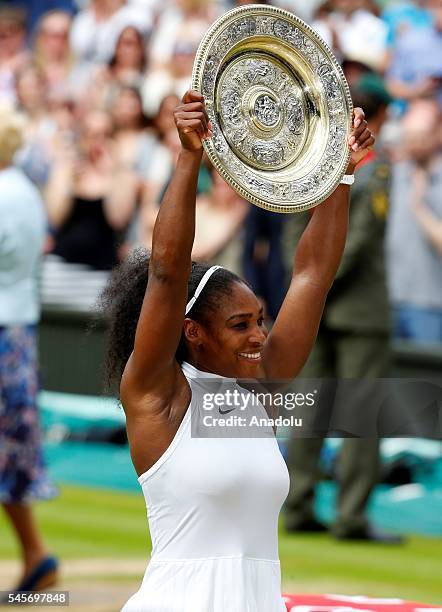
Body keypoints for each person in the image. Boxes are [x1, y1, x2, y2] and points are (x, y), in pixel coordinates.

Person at [99, 90, 373, 611]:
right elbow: (167, 269)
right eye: (240, 324)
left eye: (261, 321)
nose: (259, 336)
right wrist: (189, 155)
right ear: (193, 331)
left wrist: (342, 173)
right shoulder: (157, 394)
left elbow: (313, 275)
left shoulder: (261, 388)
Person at [283, 76, 402, 542]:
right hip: (358, 311)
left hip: (312, 306)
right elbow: (363, 238)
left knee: (308, 408)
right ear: (381, 116)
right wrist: (319, 279)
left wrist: (307, 285)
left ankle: (298, 506)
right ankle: (350, 516)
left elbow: (294, 227)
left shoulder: (314, 158)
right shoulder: (377, 167)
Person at [0, 108, 58, 595]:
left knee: (8, 454)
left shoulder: (8, 192)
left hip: (5, 332)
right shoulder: (21, 189)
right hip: (14, 328)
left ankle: (38, 556)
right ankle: (37, 556)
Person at [387, 97, 442, 342]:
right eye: (409, 136)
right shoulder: (394, 173)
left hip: (430, 305)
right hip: (388, 299)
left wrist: (419, 207)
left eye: (421, 135)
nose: (414, 143)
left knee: (425, 379)